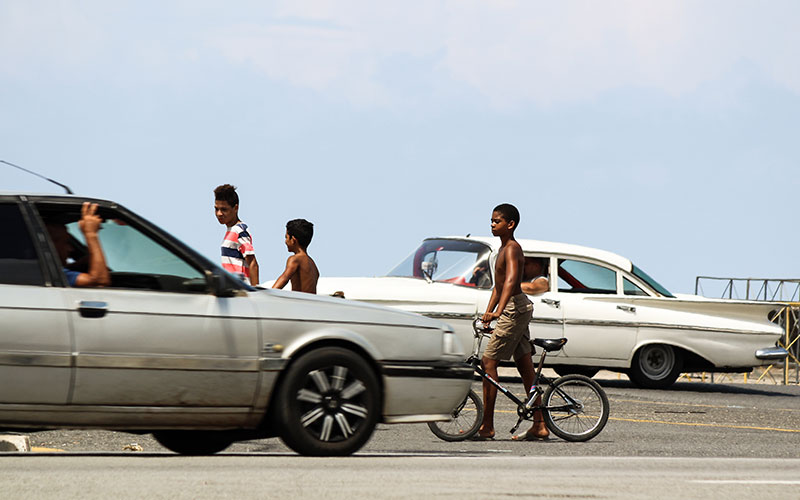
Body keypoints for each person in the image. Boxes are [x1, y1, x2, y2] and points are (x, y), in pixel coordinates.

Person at [476, 203, 549, 441]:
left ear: (510, 224)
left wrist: (498, 313)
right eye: (491, 220)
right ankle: (539, 425)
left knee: (488, 363)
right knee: (525, 365)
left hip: (514, 309)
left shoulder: (513, 249)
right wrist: (488, 313)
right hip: (513, 307)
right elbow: (498, 287)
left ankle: (487, 426)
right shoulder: (501, 250)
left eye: (496, 221)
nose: (492, 224)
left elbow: (511, 283)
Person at [46, 202, 111, 287]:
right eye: (66, 243)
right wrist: (91, 234)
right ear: (50, 245)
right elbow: (99, 281)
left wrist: (76, 265)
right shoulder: (47, 273)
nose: (70, 249)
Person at [214, 184, 259, 285]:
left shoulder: (240, 231)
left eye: (224, 209)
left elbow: (252, 263)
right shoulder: (231, 231)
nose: (219, 214)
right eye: (216, 209)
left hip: (242, 290)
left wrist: (256, 291)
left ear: (235, 208)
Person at [272, 219, 319, 294]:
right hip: (310, 304)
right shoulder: (313, 265)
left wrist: (268, 293)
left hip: (300, 303)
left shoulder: (295, 259)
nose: (285, 241)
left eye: (286, 237)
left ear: (293, 240)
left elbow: (284, 278)